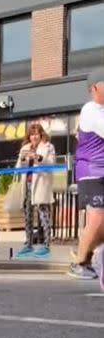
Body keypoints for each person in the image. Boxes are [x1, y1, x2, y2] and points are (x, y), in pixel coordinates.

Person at [69, 67, 104, 285]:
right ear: (94, 88)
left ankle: (85, 249)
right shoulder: (90, 109)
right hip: (91, 171)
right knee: (97, 216)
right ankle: (80, 263)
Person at [15, 123, 56, 258]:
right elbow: (18, 167)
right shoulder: (25, 148)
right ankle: (28, 244)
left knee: (44, 214)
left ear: (41, 134)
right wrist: (22, 159)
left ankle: (46, 244)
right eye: (32, 134)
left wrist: (38, 157)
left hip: (41, 184)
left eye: (36, 134)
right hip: (27, 184)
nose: (34, 137)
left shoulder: (48, 147)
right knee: (27, 215)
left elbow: (51, 164)